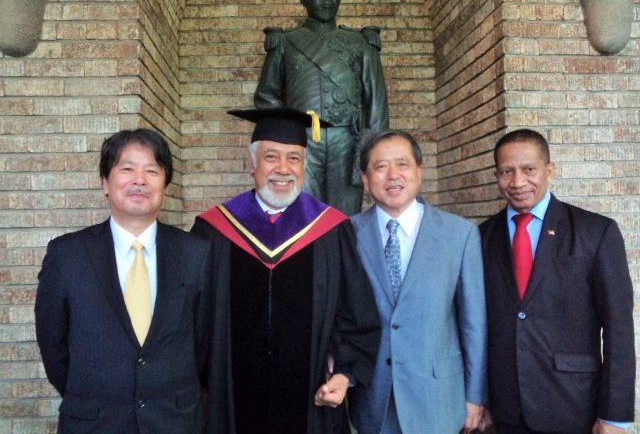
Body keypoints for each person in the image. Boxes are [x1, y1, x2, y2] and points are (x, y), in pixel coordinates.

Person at [191, 107, 380, 434]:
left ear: (305, 167)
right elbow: (194, 320)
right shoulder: (214, 229)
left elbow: (356, 312)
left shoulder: (332, 230)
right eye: (271, 157)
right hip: (233, 402)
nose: (283, 169)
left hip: (311, 403)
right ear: (251, 164)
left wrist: (344, 373)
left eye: (294, 158)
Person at [35, 129, 213, 433]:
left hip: (175, 422)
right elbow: (54, 345)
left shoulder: (196, 254)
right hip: (95, 423)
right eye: (127, 169)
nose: (139, 180)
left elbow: (204, 342)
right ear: (105, 182)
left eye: (152, 171)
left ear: (164, 184)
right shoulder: (67, 255)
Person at [480, 129, 635, 434]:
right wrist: (478, 399)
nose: (518, 182)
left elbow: (618, 328)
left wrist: (615, 415)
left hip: (574, 406)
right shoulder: (481, 237)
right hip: (504, 411)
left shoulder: (595, 232)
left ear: (550, 170)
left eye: (529, 169)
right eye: (506, 171)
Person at [348, 129, 487, 434]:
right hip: (374, 399)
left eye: (403, 164)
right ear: (366, 178)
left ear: (419, 172)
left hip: (438, 398)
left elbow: (473, 323)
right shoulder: (347, 235)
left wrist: (475, 397)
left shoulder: (459, 235)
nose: (392, 175)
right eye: (381, 167)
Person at [254, 0, 389, 215]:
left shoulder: (361, 43)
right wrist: (286, 137)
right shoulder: (285, 42)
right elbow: (266, 96)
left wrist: (371, 152)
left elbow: (376, 102)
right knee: (301, 216)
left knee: (346, 218)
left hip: (347, 142)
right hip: (302, 143)